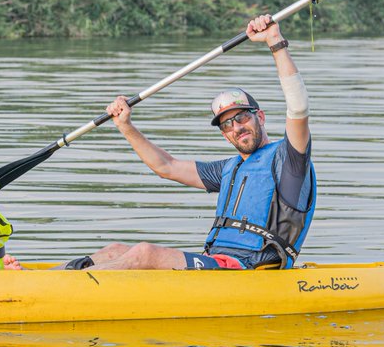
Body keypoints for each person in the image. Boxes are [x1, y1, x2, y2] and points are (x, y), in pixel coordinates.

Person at [65, 14, 315, 271]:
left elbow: (298, 108)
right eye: (227, 125)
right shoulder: (228, 169)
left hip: (251, 267)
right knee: (115, 250)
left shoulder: (290, 160)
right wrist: (126, 126)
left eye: (242, 117)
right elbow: (166, 166)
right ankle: (36, 279)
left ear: (259, 117)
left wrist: (275, 41)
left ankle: (62, 290)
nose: (237, 128)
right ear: (224, 134)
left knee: (145, 253)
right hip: (216, 263)